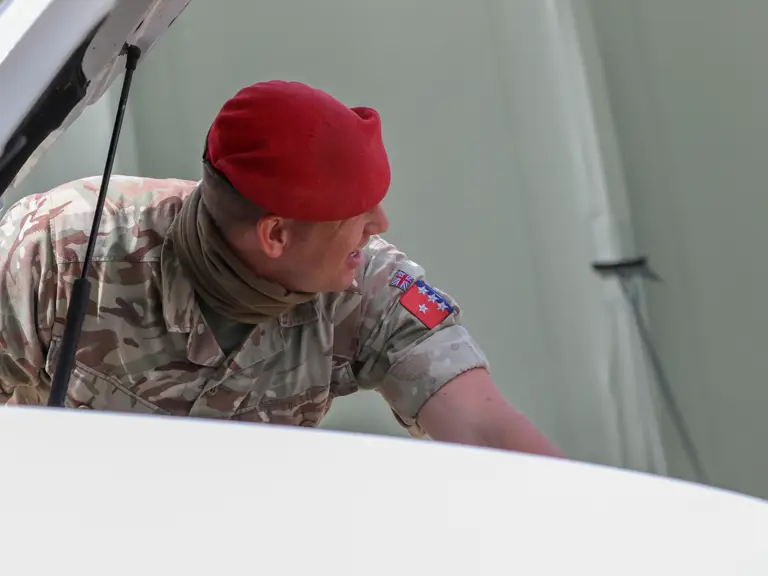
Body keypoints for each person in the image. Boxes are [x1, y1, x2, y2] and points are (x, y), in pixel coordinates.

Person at [0, 80, 563, 457]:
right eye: (357, 213)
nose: (381, 224)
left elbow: (485, 426)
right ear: (276, 235)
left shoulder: (368, 289)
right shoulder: (63, 248)